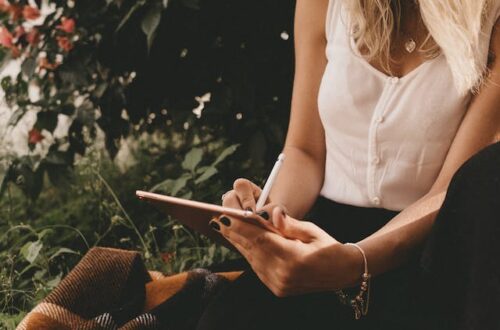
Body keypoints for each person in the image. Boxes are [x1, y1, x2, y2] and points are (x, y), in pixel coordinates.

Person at [204, 0, 500, 329]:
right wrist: (271, 217)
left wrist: (355, 262)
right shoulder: (321, 5)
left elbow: (454, 187)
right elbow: (304, 151)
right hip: (317, 238)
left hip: (423, 247)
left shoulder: (491, 17)